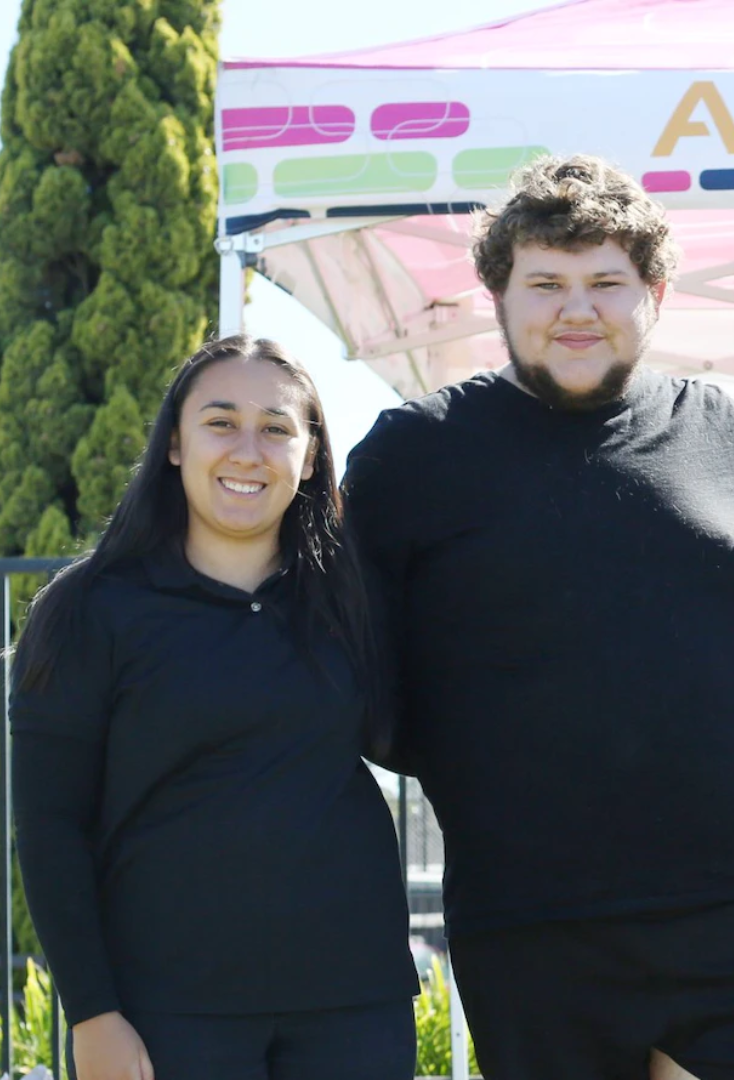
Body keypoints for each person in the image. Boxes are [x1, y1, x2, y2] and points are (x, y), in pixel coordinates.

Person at [343, 155, 734, 1080]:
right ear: (498, 295)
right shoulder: (415, 456)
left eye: (607, 282)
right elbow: (343, 657)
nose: (577, 308)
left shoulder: (726, 432)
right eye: (546, 283)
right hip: (531, 927)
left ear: (656, 293)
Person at [12, 335, 418, 1080]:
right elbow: (48, 825)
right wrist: (93, 1014)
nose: (248, 450)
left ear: (309, 453)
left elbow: (425, 739)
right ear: (174, 444)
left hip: (355, 1004)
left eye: (276, 428)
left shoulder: (355, 602)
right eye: (221, 421)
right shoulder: (88, 610)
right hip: (165, 1011)